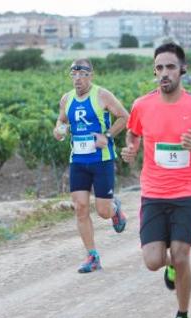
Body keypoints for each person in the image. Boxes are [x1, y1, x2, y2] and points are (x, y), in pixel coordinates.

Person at [121, 43, 191, 318]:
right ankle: (172, 268)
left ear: (182, 70)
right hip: (153, 193)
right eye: (160, 67)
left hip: (187, 192)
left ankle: (182, 316)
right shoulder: (142, 105)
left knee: (180, 254)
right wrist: (132, 149)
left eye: (170, 67)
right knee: (152, 260)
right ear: (155, 70)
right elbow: (133, 132)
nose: (164, 73)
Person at [53, 58, 128, 274]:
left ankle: (115, 210)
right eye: (73, 74)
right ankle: (92, 255)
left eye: (82, 74)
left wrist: (106, 135)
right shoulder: (66, 99)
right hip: (78, 160)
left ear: (90, 75)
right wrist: (59, 130)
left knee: (103, 211)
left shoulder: (101, 95)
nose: (77, 78)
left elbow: (124, 117)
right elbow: (61, 122)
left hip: (101, 160)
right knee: (80, 207)